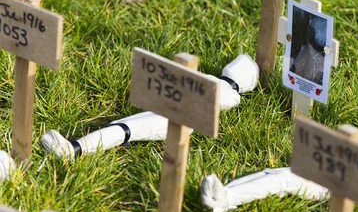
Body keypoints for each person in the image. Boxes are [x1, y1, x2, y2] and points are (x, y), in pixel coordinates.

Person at [41, 54, 258, 160]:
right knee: (124, 126)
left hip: (180, 119)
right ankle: (76, 147)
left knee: (126, 130)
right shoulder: (221, 86)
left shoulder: (231, 96)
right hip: (174, 107)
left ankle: (75, 150)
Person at [201, 121, 358, 212]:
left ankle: (227, 198)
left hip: (332, 184)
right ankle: (227, 196)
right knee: (278, 176)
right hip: (330, 174)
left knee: (282, 179)